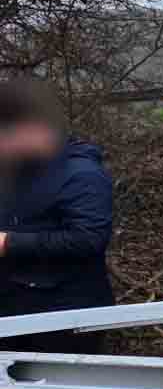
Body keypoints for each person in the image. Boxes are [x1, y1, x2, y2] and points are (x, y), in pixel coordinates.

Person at [0, 78, 115, 354]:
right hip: (12, 311)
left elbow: (88, 239)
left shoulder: (82, 174)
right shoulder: (16, 172)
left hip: (65, 319)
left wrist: (8, 243)